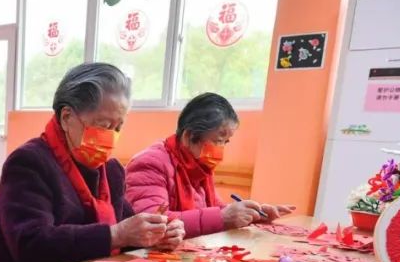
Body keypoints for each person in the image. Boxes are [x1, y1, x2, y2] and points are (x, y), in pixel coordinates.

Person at [0, 63, 183, 262]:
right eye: (103, 125)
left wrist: (156, 233)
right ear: (66, 117)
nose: (110, 136)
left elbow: (129, 228)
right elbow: (30, 245)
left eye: (118, 128)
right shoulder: (28, 162)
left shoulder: (111, 171)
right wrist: (115, 235)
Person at [125, 92, 294, 237]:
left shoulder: (198, 166)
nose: (220, 149)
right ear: (188, 136)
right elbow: (152, 222)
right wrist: (222, 218)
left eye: (225, 142)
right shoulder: (150, 163)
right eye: (217, 141)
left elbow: (216, 208)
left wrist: (255, 213)